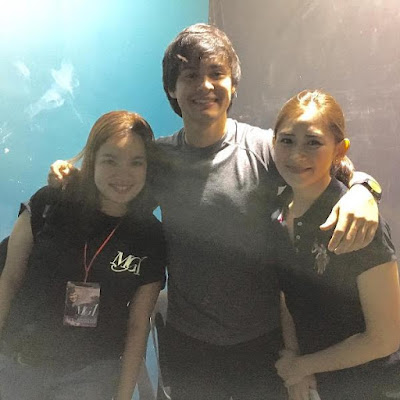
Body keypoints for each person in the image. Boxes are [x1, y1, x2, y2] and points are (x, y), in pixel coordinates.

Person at [49, 24, 382, 399]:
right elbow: (113, 191)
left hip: (264, 343)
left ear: (233, 85)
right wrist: (69, 176)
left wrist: (364, 190)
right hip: (188, 344)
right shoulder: (158, 160)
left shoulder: (265, 149)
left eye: (216, 73)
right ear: (172, 89)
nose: (204, 86)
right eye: (190, 75)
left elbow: (332, 169)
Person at [0, 111, 166, 400]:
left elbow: (138, 326)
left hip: (90, 378)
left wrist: (123, 396)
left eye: (136, 162)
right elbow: (9, 281)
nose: (123, 174)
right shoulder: (50, 202)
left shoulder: (150, 236)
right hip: (18, 364)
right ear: (92, 160)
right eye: (110, 160)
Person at [272, 90, 400, 400]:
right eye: (287, 140)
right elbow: (286, 296)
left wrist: (302, 366)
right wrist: (294, 357)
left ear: (339, 150)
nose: (296, 154)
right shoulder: (277, 213)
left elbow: (385, 338)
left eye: (313, 142)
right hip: (317, 383)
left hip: (371, 385)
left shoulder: (358, 222)